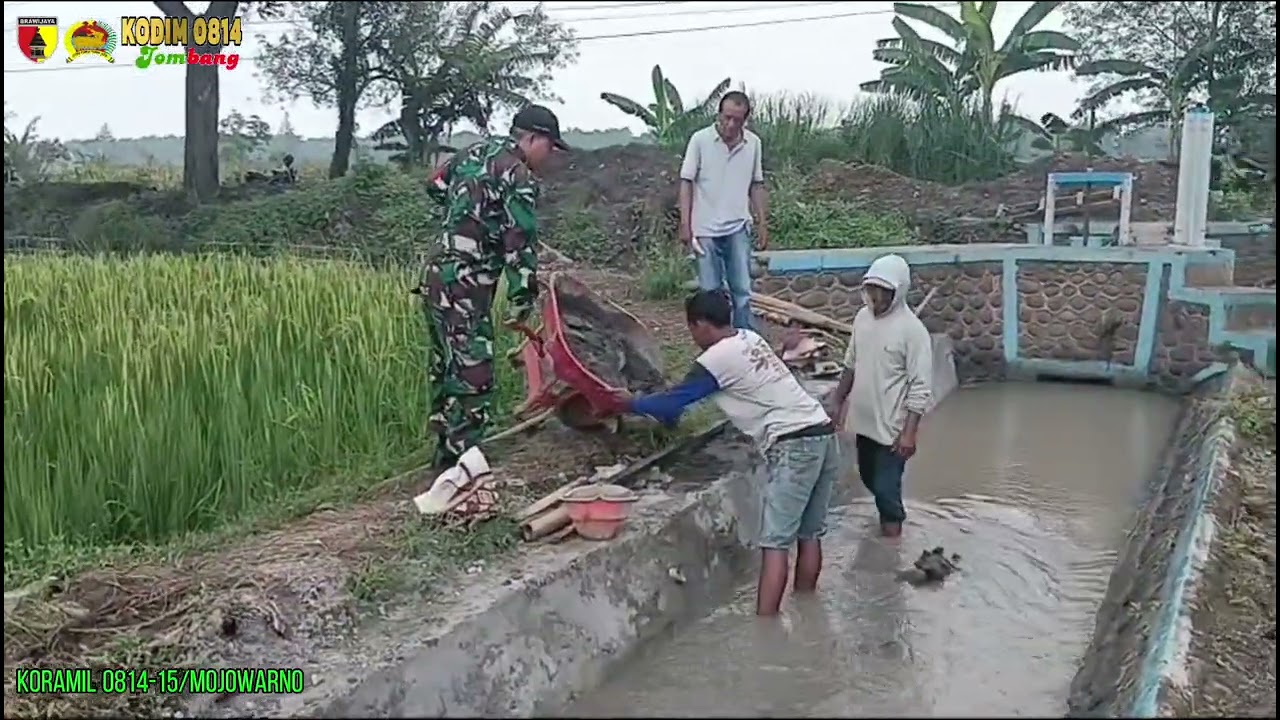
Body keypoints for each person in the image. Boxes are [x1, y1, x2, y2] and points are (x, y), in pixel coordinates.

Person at [615, 290, 838, 617]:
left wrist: (626, 402)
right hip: (822, 431)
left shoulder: (715, 359)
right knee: (810, 534)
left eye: (692, 328)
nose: (692, 337)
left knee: (775, 544)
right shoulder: (749, 338)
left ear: (703, 324)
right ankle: (807, 613)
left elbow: (672, 404)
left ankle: (766, 632)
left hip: (793, 444)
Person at [418, 104, 570, 469]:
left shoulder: (473, 152)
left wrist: (466, 214)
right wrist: (522, 295)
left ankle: (445, 451)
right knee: (474, 374)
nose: (549, 157)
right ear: (531, 138)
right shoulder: (517, 175)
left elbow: (435, 184)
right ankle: (463, 465)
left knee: (446, 365)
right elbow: (520, 239)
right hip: (466, 285)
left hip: (436, 274)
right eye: (549, 147)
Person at [823, 254, 933, 538]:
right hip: (864, 422)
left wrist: (909, 433)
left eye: (884, 292)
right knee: (869, 478)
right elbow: (850, 363)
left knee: (886, 492)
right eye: (872, 290)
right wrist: (837, 399)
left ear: (899, 292)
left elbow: (920, 386)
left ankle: (891, 550)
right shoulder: (862, 319)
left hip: (893, 428)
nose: (877, 298)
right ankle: (888, 526)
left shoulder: (913, 332)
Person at [678, 90, 770, 331]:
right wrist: (685, 224)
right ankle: (715, 348)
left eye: (737, 120)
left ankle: (742, 343)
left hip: (738, 226)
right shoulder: (700, 140)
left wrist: (762, 223)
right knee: (710, 293)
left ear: (745, 120)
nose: (730, 124)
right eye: (726, 117)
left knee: (742, 291)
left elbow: (756, 184)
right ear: (719, 114)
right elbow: (686, 182)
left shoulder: (753, 144)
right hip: (705, 229)